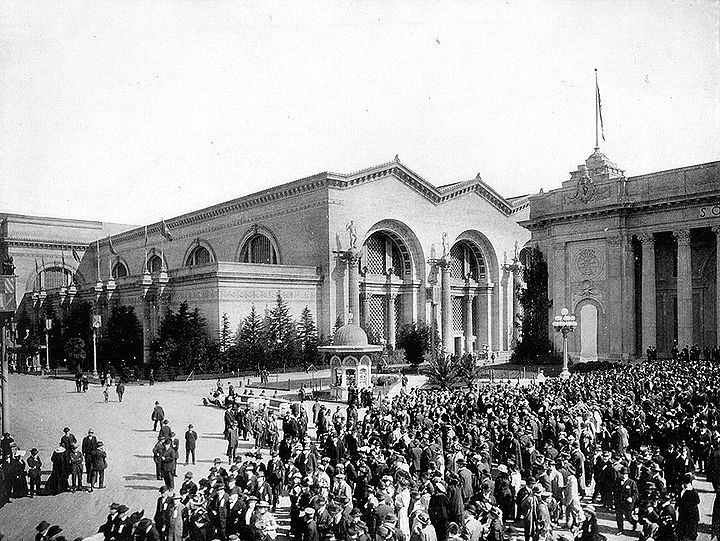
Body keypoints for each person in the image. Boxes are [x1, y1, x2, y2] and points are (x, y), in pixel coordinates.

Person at [676, 473, 700, 541]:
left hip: (690, 514)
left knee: (690, 531)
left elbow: (697, 501)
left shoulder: (692, 492)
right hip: (683, 513)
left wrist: (686, 505)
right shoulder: (682, 490)